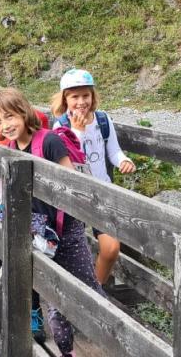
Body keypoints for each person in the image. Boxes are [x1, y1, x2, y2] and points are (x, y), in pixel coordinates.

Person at [0, 87, 106, 356]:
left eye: (10, 117)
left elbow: (71, 185)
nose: (5, 125)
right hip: (38, 233)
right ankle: (67, 352)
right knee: (54, 299)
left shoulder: (50, 141)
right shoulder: (9, 148)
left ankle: (117, 340)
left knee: (89, 289)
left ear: (24, 112)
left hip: (65, 231)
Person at [51, 69, 136, 285]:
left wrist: (124, 161)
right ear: (65, 98)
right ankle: (77, 294)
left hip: (102, 192)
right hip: (76, 195)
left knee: (111, 248)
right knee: (72, 251)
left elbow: (113, 151)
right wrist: (77, 131)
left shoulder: (103, 119)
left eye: (85, 95)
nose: (81, 102)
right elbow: (70, 161)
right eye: (74, 96)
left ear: (92, 96)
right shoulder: (60, 126)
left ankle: (94, 290)